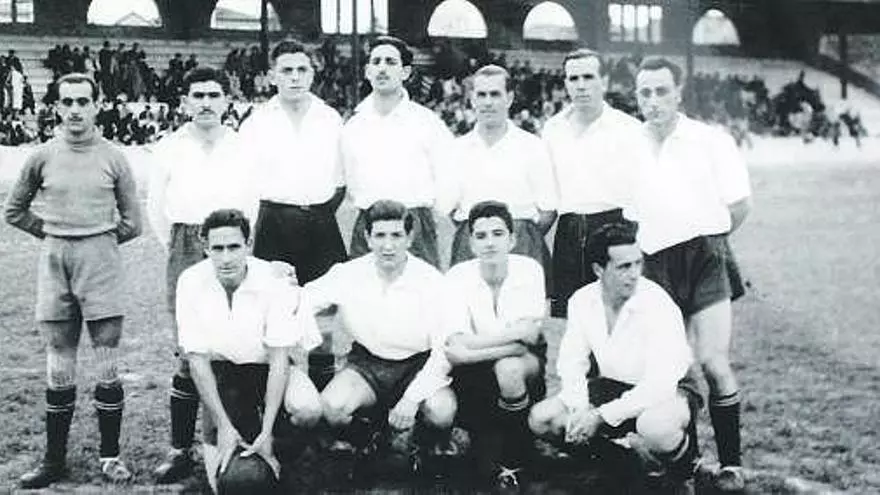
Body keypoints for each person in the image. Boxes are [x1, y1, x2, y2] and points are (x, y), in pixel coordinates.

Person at [4, 73, 142, 488]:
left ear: (97, 105)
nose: (76, 110)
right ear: (56, 107)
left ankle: (110, 457)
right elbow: (14, 211)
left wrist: (97, 238)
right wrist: (54, 234)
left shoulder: (114, 157)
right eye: (67, 102)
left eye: (83, 101)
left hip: (100, 266)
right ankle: (53, 461)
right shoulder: (41, 156)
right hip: (55, 265)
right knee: (59, 361)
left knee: (106, 361)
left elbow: (133, 222)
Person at [629, 57, 752, 492]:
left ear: (679, 93)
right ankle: (690, 460)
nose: (653, 100)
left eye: (661, 91)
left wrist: (708, 241)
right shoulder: (629, 144)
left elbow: (739, 205)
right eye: (645, 92)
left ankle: (732, 464)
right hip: (654, 262)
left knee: (713, 360)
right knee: (671, 364)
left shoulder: (709, 140)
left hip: (704, 255)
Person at [147, 66, 257, 483]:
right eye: (198, 95)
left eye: (214, 95)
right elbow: (156, 209)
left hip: (234, 244)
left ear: (227, 100)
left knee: (231, 344)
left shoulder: (243, 146)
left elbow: (254, 203)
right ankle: (180, 449)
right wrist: (184, 249)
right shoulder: (169, 147)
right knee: (188, 350)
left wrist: (237, 248)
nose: (206, 103)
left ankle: (234, 439)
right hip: (187, 243)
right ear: (185, 102)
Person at [529, 220, 700, 487]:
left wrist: (600, 416)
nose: (634, 274)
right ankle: (623, 466)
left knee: (655, 427)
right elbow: (572, 362)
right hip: (610, 386)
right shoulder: (582, 301)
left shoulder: (657, 303)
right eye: (624, 267)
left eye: (638, 264)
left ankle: (688, 472)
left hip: (668, 392)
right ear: (599, 269)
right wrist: (580, 408)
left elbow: (660, 384)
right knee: (543, 418)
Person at [176, 209, 322, 493]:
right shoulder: (190, 281)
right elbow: (197, 362)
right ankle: (233, 437)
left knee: (308, 408)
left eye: (234, 247)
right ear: (205, 247)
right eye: (217, 248)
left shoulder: (273, 280)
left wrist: (266, 432)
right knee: (228, 483)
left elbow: (279, 360)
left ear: (249, 244)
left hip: (267, 367)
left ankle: (288, 452)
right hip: (224, 373)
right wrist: (223, 426)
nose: (226, 258)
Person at [303, 200, 457, 469]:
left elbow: (443, 350)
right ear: (367, 238)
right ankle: (370, 436)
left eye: (396, 235)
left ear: (410, 238)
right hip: (368, 363)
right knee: (332, 407)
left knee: (441, 412)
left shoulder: (430, 281)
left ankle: (425, 443)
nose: (388, 246)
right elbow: (303, 300)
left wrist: (411, 399)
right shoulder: (348, 273)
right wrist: (274, 277)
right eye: (380, 235)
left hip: (418, 364)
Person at [237, 40, 348, 391]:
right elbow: (244, 183)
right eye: (286, 70)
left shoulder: (330, 119)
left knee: (325, 315)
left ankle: (324, 400)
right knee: (274, 315)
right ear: (272, 76)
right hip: (274, 223)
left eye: (302, 70)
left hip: (320, 222)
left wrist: (315, 214)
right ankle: (278, 406)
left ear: (313, 74)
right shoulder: (256, 123)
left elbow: (341, 181)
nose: (295, 77)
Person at [444, 201, 548, 488]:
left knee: (509, 369)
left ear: (512, 239)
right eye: (481, 236)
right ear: (471, 243)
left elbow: (529, 336)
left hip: (519, 364)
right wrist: (509, 344)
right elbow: (457, 340)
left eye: (498, 234)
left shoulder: (529, 269)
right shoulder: (457, 276)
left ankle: (518, 450)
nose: (490, 243)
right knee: (481, 467)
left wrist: (469, 352)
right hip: (473, 372)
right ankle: (490, 445)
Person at [541, 48, 643, 317]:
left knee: (618, 318)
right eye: (573, 79)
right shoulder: (553, 129)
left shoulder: (629, 129)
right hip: (569, 233)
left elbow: (642, 194)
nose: (581, 85)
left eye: (588, 77)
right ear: (565, 84)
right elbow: (548, 196)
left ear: (604, 81)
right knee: (570, 319)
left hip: (615, 229)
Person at [341, 36, 456, 269]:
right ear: (367, 71)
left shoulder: (427, 122)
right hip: (369, 223)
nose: (382, 68)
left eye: (391, 62)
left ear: (405, 72)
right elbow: (350, 179)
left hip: (415, 223)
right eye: (376, 62)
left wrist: (427, 217)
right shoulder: (354, 125)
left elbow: (448, 175)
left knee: (419, 290)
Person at [447, 65, 557, 291]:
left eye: (495, 94)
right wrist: (477, 232)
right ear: (472, 99)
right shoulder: (456, 149)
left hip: (521, 242)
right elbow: (450, 207)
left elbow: (548, 210)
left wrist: (515, 234)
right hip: (471, 242)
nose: (488, 102)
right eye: (481, 95)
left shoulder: (532, 147)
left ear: (509, 98)